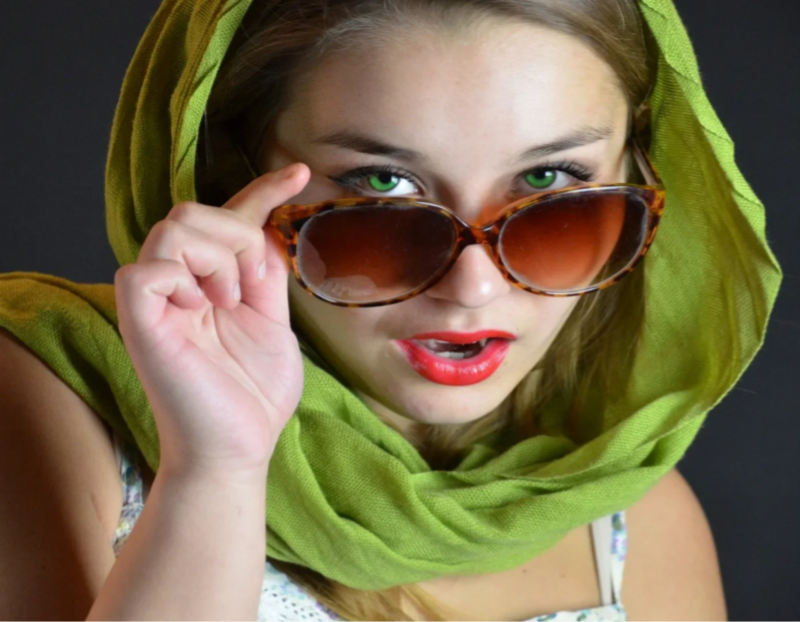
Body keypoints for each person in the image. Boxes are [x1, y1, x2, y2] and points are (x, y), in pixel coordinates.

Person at [0, 0, 782, 620]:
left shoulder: (635, 521)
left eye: (550, 184)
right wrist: (216, 473)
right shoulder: (40, 403)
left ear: (637, 179)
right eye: (383, 189)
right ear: (223, 171)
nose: (472, 288)